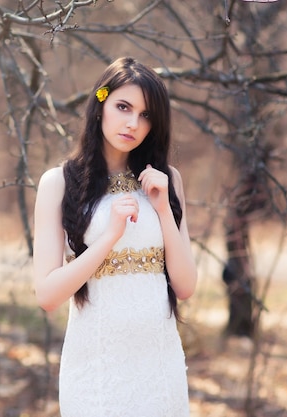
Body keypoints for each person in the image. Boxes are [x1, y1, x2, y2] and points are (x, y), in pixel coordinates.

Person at [32, 57, 198, 416]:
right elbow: (47, 295)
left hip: (159, 363)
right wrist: (108, 238)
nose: (133, 123)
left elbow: (185, 287)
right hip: (96, 366)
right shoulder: (58, 183)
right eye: (123, 106)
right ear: (100, 102)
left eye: (146, 114)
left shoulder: (167, 180)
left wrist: (163, 209)